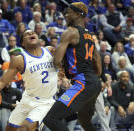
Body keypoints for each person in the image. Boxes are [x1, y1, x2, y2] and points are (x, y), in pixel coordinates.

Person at [0, 29, 58, 131]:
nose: (31, 33)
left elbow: (66, 60)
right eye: (27, 34)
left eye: (32, 32)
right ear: (22, 43)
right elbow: (2, 81)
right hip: (27, 99)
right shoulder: (19, 60)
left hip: (46, 101)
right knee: (9, 129)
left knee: (25, 128)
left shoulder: (50, 51)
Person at [43, 2, 102, 131]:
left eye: (68, 12)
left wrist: (50, 54)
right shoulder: (90, 36)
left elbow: (56, 61)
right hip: (94, 83)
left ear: (77, 14)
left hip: (83, 83)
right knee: (85, 124)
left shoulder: (70, 32)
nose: (65, 15)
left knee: (50, 118)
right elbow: (98, 65)